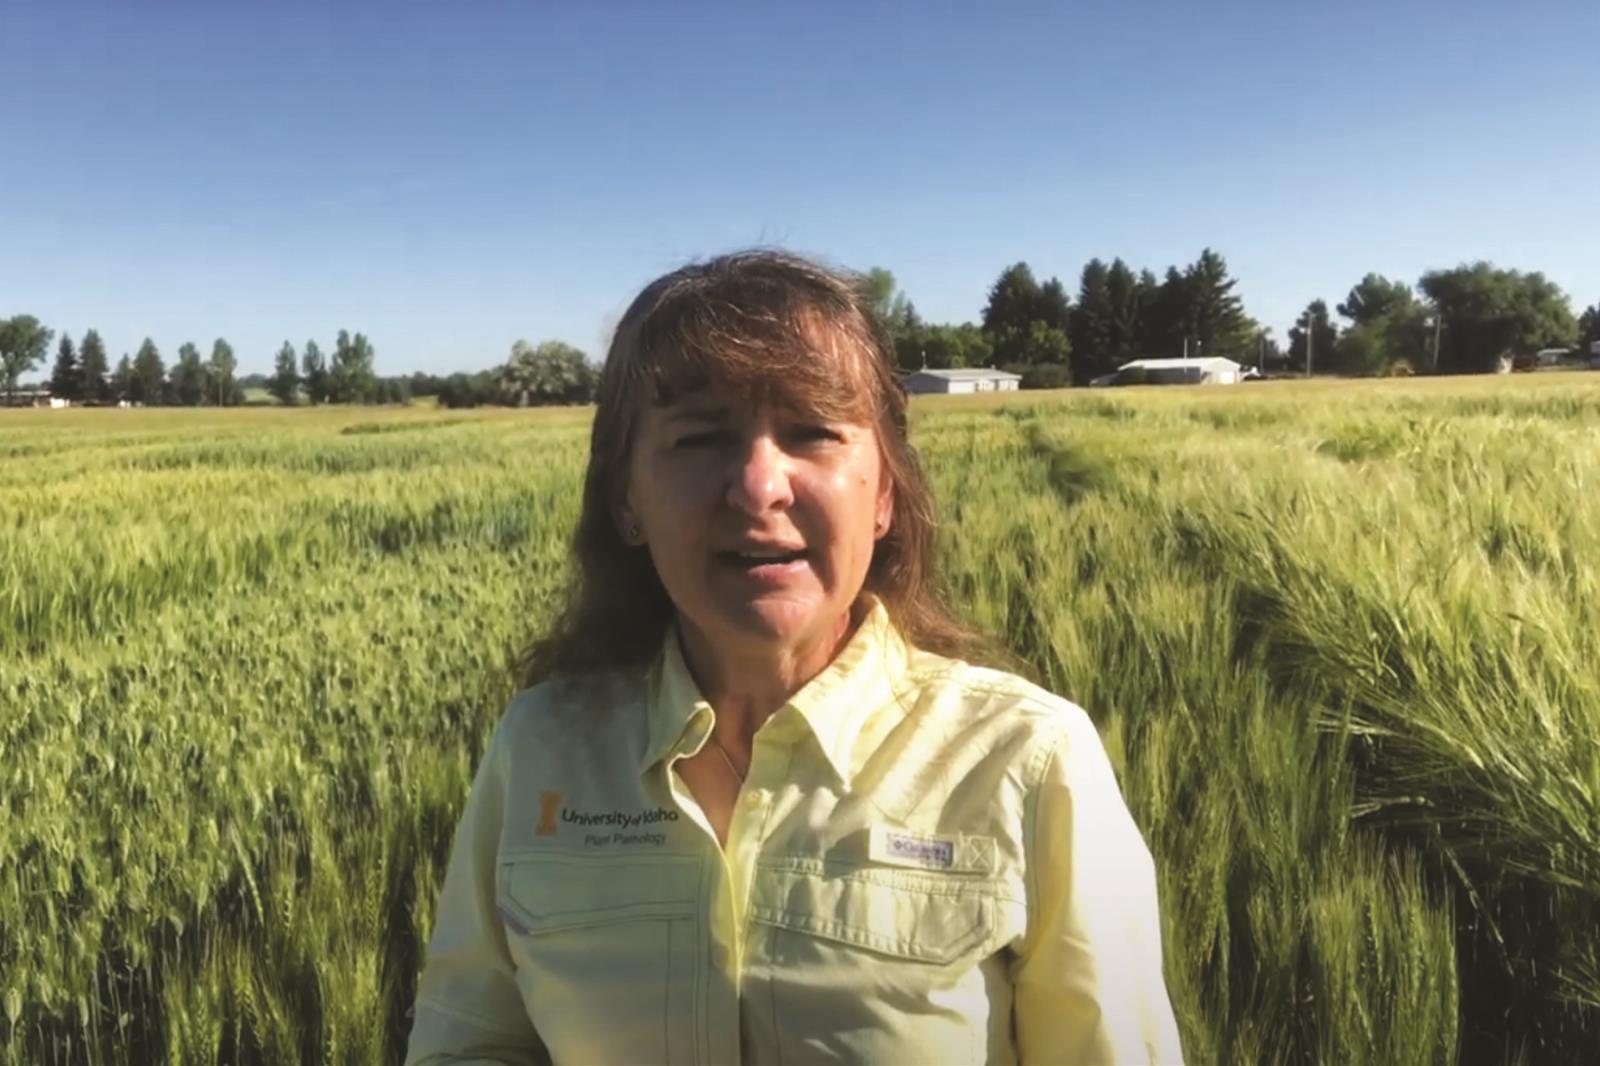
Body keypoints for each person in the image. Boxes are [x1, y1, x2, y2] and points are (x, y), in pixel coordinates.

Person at [405, 250, 1184, 1065]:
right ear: (626, 499)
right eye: (700, 438)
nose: (757, 485)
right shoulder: (540, 748)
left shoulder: (1028, 760)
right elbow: (472, 1042)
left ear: (885, 494)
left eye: (813, 431)